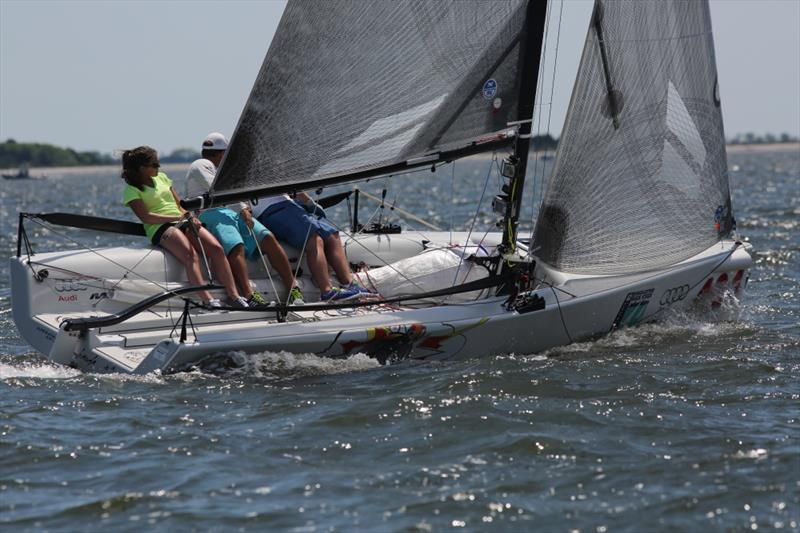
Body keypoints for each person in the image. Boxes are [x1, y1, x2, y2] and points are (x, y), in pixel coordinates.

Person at [121, 145, 248, 309]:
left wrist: (189, 215)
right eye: (154, 164)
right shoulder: (131, 190)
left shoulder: (163, 178)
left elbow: (179, 205)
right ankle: (208, 300)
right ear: (141, 168)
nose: (159, 167)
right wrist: (177, 217)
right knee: (190, 255)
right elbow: (146, 217)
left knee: (216, 249)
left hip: (182, 219)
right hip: (160, 227)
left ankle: (234, 296)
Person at [185, 132, 304, 306]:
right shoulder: (201, 164)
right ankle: (249, 295)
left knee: (268, 238)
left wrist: (245, 208)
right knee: (236, 246)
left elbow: (236, 193)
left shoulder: (221, 170)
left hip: (231, 212)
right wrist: (242, 209)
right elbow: (219, 190)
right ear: (222, 154)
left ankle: (293, 288)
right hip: (211, 213)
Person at [251, 191, 372, 302]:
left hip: (288, 205)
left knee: (332, 235)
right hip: (270, 211)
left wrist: (307, 202)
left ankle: (349, 284)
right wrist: (307, 201)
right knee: (314, 238)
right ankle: (327, 291)